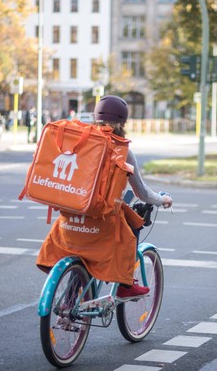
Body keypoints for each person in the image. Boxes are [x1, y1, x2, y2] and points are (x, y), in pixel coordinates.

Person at [36, 95, 173, 300]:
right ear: (123, 121)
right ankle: (125, 285)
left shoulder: (80, 141)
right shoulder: (122, 150)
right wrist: (162, 199)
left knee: (84, 243)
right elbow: (141, 192)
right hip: (101, 225)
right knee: (133, 226)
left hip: (69, 222)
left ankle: (71, 292)